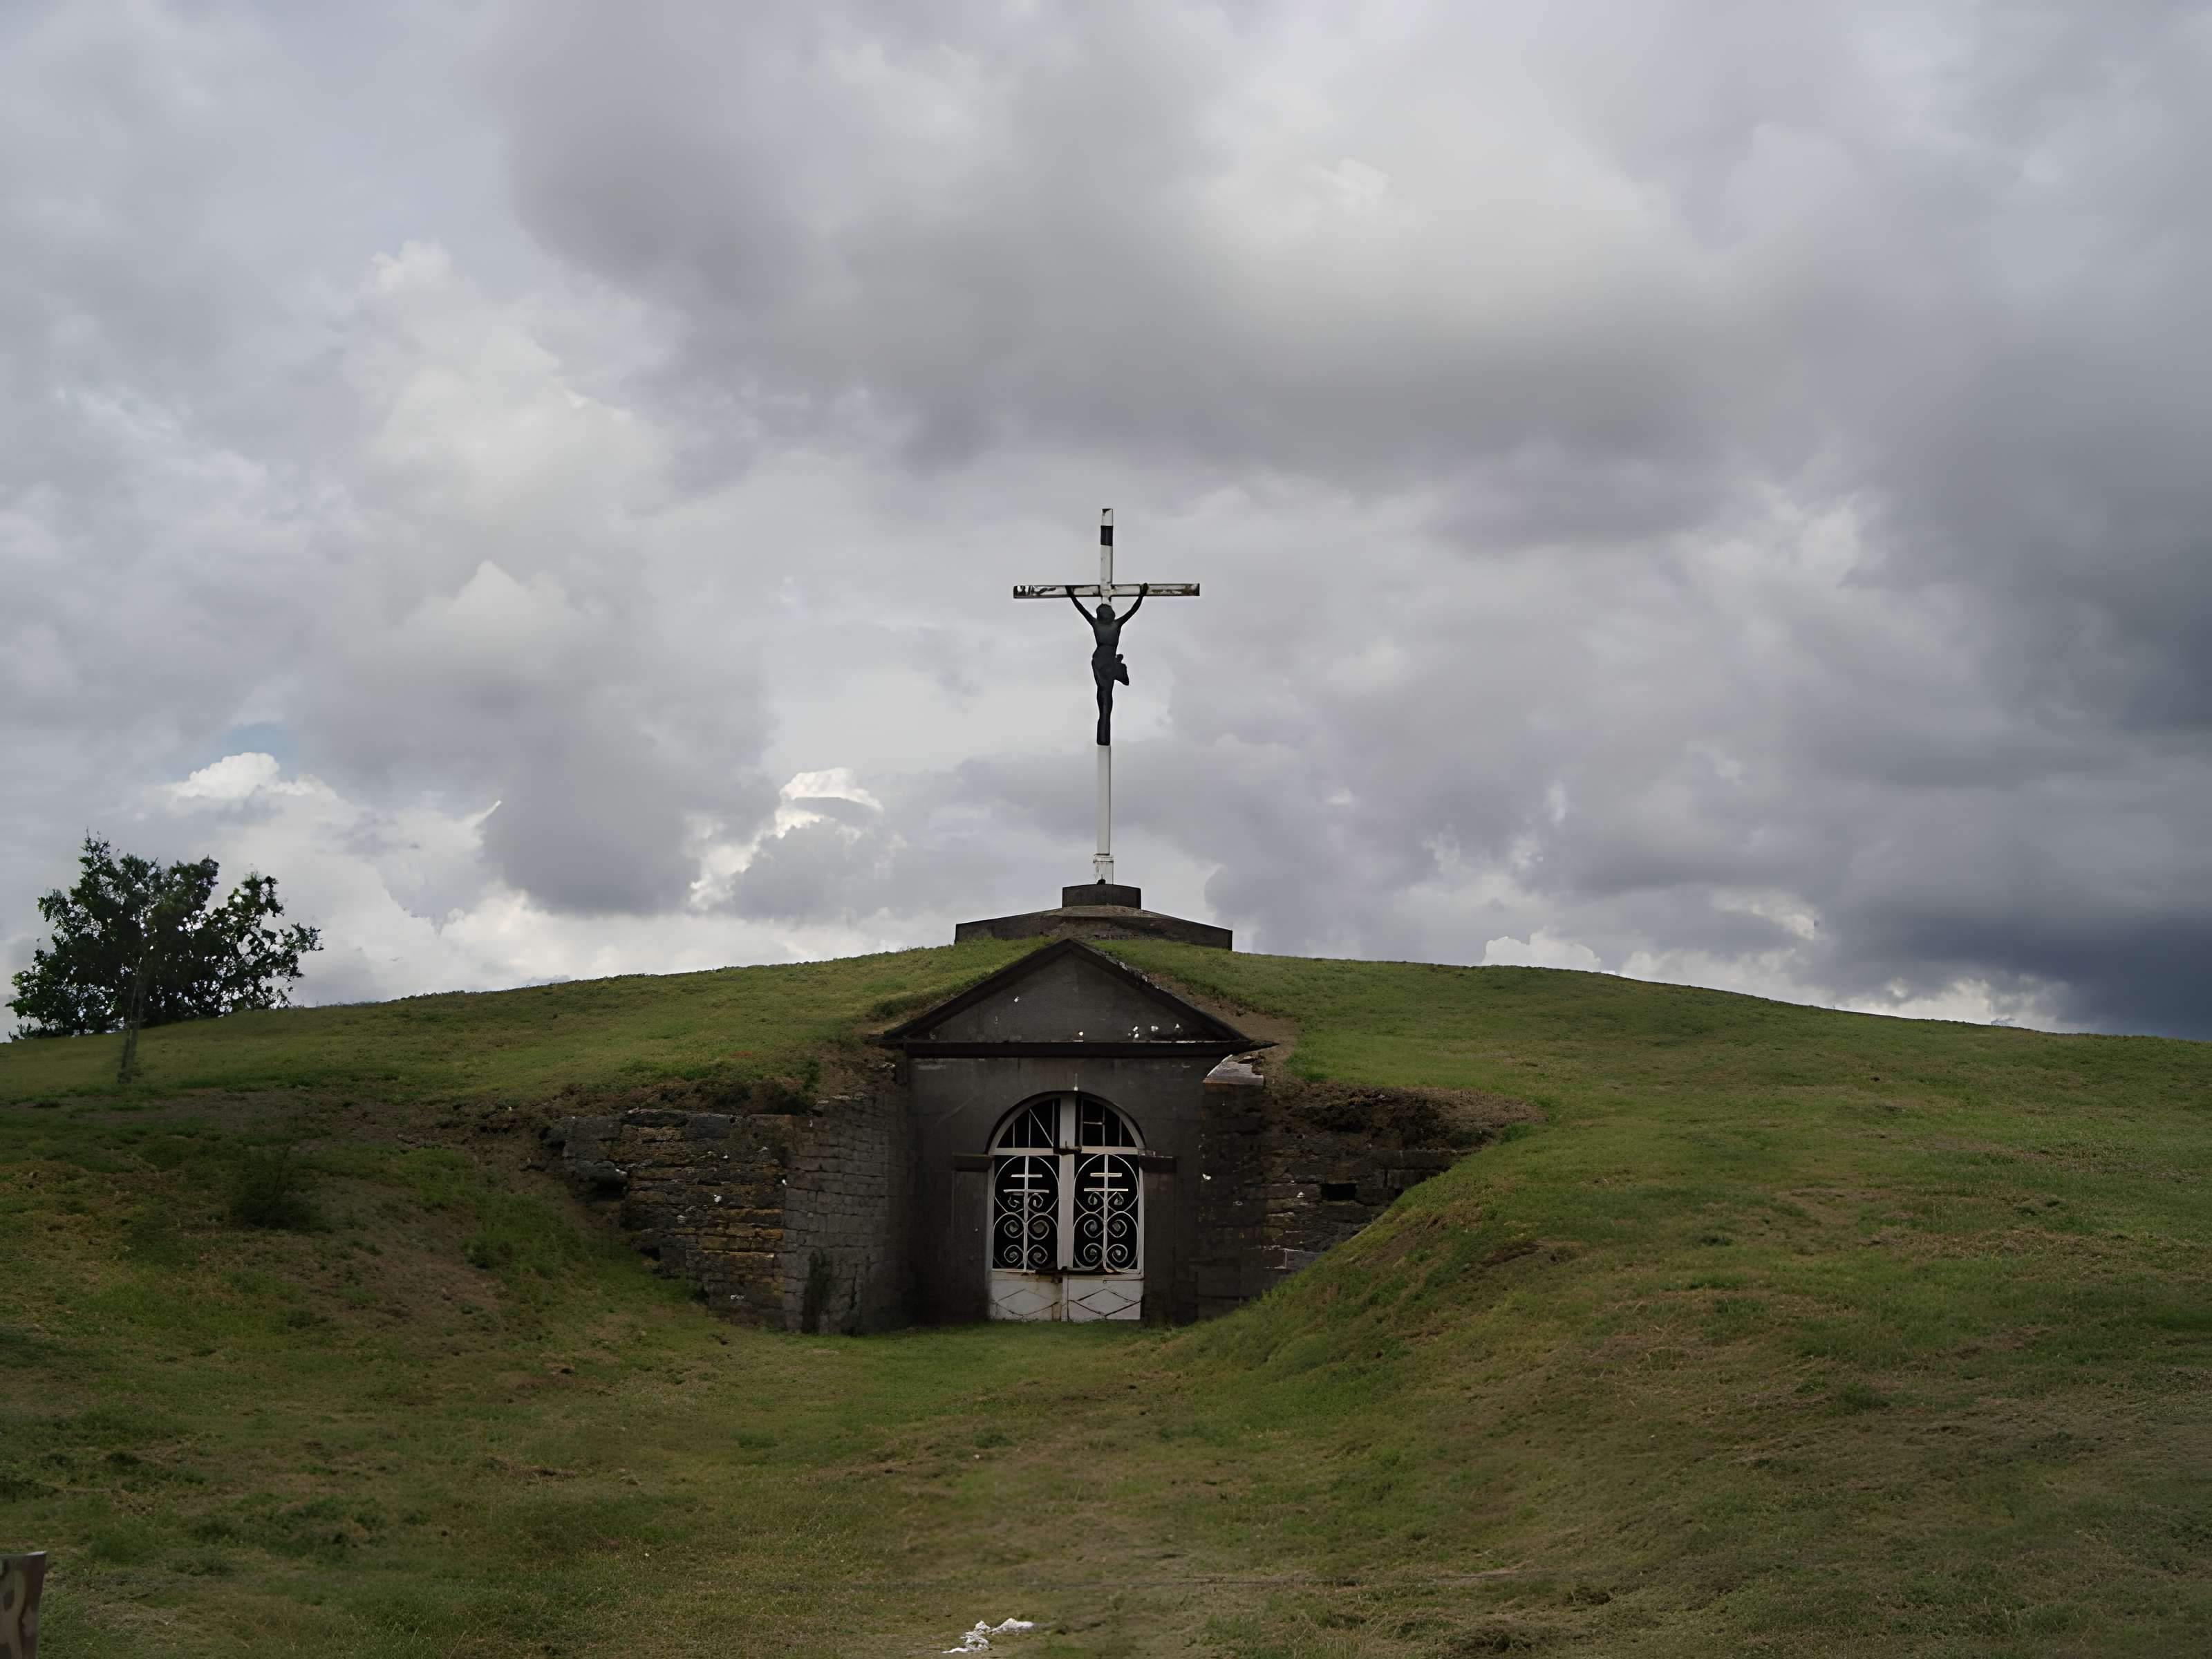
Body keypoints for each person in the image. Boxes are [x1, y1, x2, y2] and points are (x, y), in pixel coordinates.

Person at [1069, 584, 1146, 745]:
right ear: (1108, 615)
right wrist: (1142, 595)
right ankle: (1104, 722)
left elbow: (1081, 609)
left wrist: (1071, 595)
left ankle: (1103, 721)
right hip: (1107, 661)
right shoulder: (1115, 625)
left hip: (1100, 660)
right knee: (1106, 696)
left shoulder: (1098, 624)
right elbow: (1133, 610)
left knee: (1103, 694)